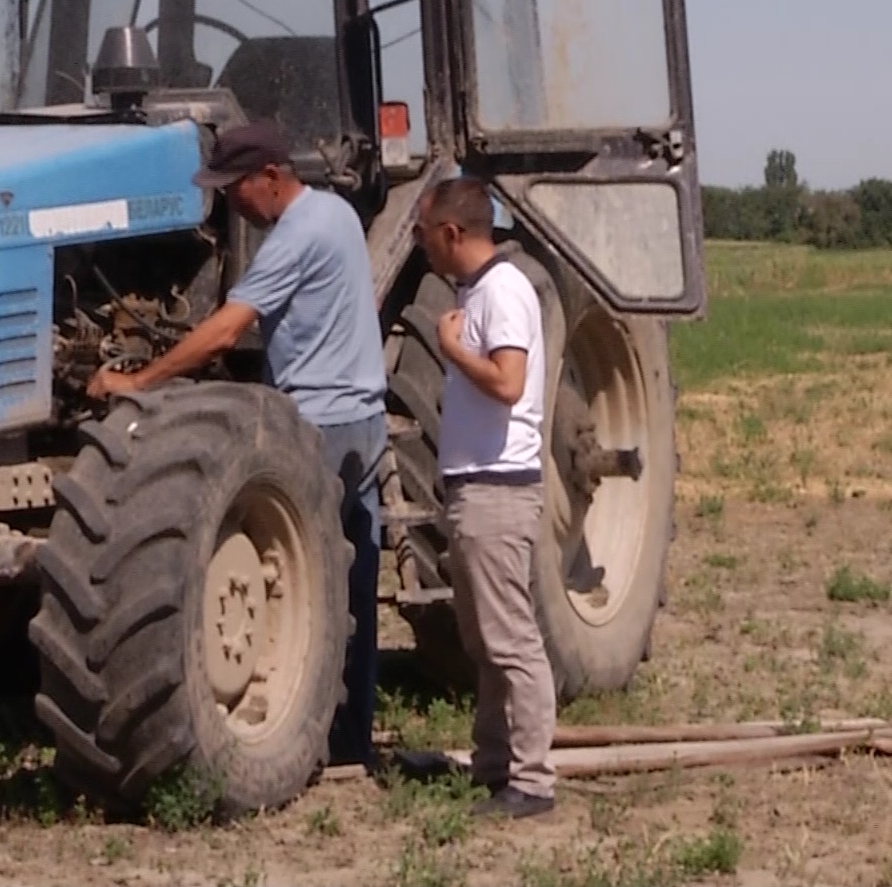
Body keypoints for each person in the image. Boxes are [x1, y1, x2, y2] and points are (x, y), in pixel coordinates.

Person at [87, 120, 389, 769]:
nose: (233, 205)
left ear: (272, 177)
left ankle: (289, 727)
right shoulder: (338, 214)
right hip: (362, 415)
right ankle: (347, 740)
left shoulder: (295, 236)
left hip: (322, 422)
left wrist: (137, 380)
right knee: (349, 581)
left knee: (300, 578)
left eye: (236, 189)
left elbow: (225, 333)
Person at [413, 175, 556, 819]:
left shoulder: (504, 291)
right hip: (478, 486)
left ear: (452, 232)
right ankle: (494, 762)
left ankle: (531, 781)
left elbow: (507, 381)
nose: (422, 248)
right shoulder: (480, 291)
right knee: (484, 639)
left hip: (499, 489)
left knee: (512, 642)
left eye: (423, 234)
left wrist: (449, 349)